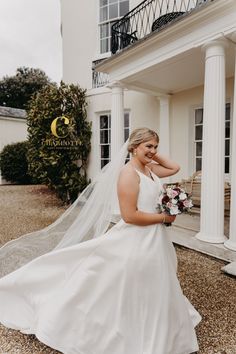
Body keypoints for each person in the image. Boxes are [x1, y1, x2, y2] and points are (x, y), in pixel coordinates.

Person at [0, 127, 201, 354]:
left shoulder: (149, 169)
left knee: (154, 280)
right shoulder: (129, 174)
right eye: (149, 146)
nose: (153, 151)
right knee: (122, 281)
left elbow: (174, 168)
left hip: (155, 237)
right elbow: (130, 215)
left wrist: (151, 153)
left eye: (156, 146)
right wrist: (164, 217)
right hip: (137, 236)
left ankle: (155, 328)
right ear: (134, 147)